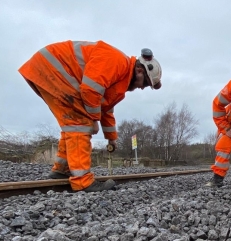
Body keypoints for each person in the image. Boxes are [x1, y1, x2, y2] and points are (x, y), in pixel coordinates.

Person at [19, 41, 162, 192]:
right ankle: (82, 182)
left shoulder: (121, 78)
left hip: (50, 68)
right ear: (139, 70)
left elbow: (106, 109)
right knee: (80, 123)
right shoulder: (117, 62)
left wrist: (111, 137)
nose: (141, 87)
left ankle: (61, 169)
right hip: (54, 69)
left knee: (72, 124)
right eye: (145, 84)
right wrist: (93, 120)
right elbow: (90, 90)